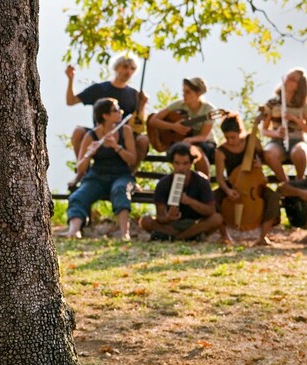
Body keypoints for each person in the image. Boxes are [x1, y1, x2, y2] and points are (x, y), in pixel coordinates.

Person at [58, 98, 137, 240]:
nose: (121, 112)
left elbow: (132, 160)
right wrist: (89, 154)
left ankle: (124, 233)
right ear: (105, 116)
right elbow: (80, 168)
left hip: (121, 175)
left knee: (120, 190)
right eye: (116, 110)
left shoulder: (125, 131)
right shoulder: (91, 135)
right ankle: (74, 230)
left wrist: (116, 147)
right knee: (78, 196)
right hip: (97, 176)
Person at [65, 53, 149, 184]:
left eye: (132, 68)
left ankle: (129, 176)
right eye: (125, 66)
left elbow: (138, 124)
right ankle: (82, 172)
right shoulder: (100, 88)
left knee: (143, 140)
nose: (128, 71)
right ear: (116, 68)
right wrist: (71, 79)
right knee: (78, 132)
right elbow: (71, 101)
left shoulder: (134, 94)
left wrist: (142, 105)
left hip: (123, 137)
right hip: (99, 135)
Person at [214, 113, 280, 245]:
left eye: (233, 137)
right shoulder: (221, 151)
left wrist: (259, 163)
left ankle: (263, 236)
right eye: (227, 137)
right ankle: (224, 234)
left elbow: (262, 157)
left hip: (254, 184)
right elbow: (220, 178)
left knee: (272, 197)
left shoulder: (252, 140)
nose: (230, 141)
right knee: (212, 198)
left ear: (240, 132)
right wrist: (227, 191)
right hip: (233, 184)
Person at [139, 143, 223, 241]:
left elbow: (211, 211)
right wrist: (168, 217)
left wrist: (190, 201)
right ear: (172, 163)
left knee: (217, 219)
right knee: (145, 221)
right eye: (177, 163)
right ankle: (189, 236)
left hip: (195, 223)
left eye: (185, 163)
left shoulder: (201, 181)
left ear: (191, 163)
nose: (181, 168)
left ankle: (176, 238)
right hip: (173, 225)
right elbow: (160, 216)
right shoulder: (164, 183)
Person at [147, 77, 217, 176]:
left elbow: (203, 136)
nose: (184, 94)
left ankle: (204, 183)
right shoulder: (179, 105)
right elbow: (153, 120)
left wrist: (190, 140)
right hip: (180, 141)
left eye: (188, 92)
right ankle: (179, 183)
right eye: (183, 91)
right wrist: (173, 126)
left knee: (196, 150)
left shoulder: (208, 110)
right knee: (177, 153)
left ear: (198, 94)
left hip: (205, 143)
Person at [261, 68, 307, 182]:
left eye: (292, 79)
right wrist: (276, 133)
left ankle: (299, 181)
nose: (287, 80)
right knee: (269, 153)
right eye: (287, 77)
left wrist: (295, 119)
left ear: (298, 86)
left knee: (300, 152)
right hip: (277, 141)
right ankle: (285, 182)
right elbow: (263, 130)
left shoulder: (304, 107)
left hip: (297, 140)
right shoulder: (272, 104)